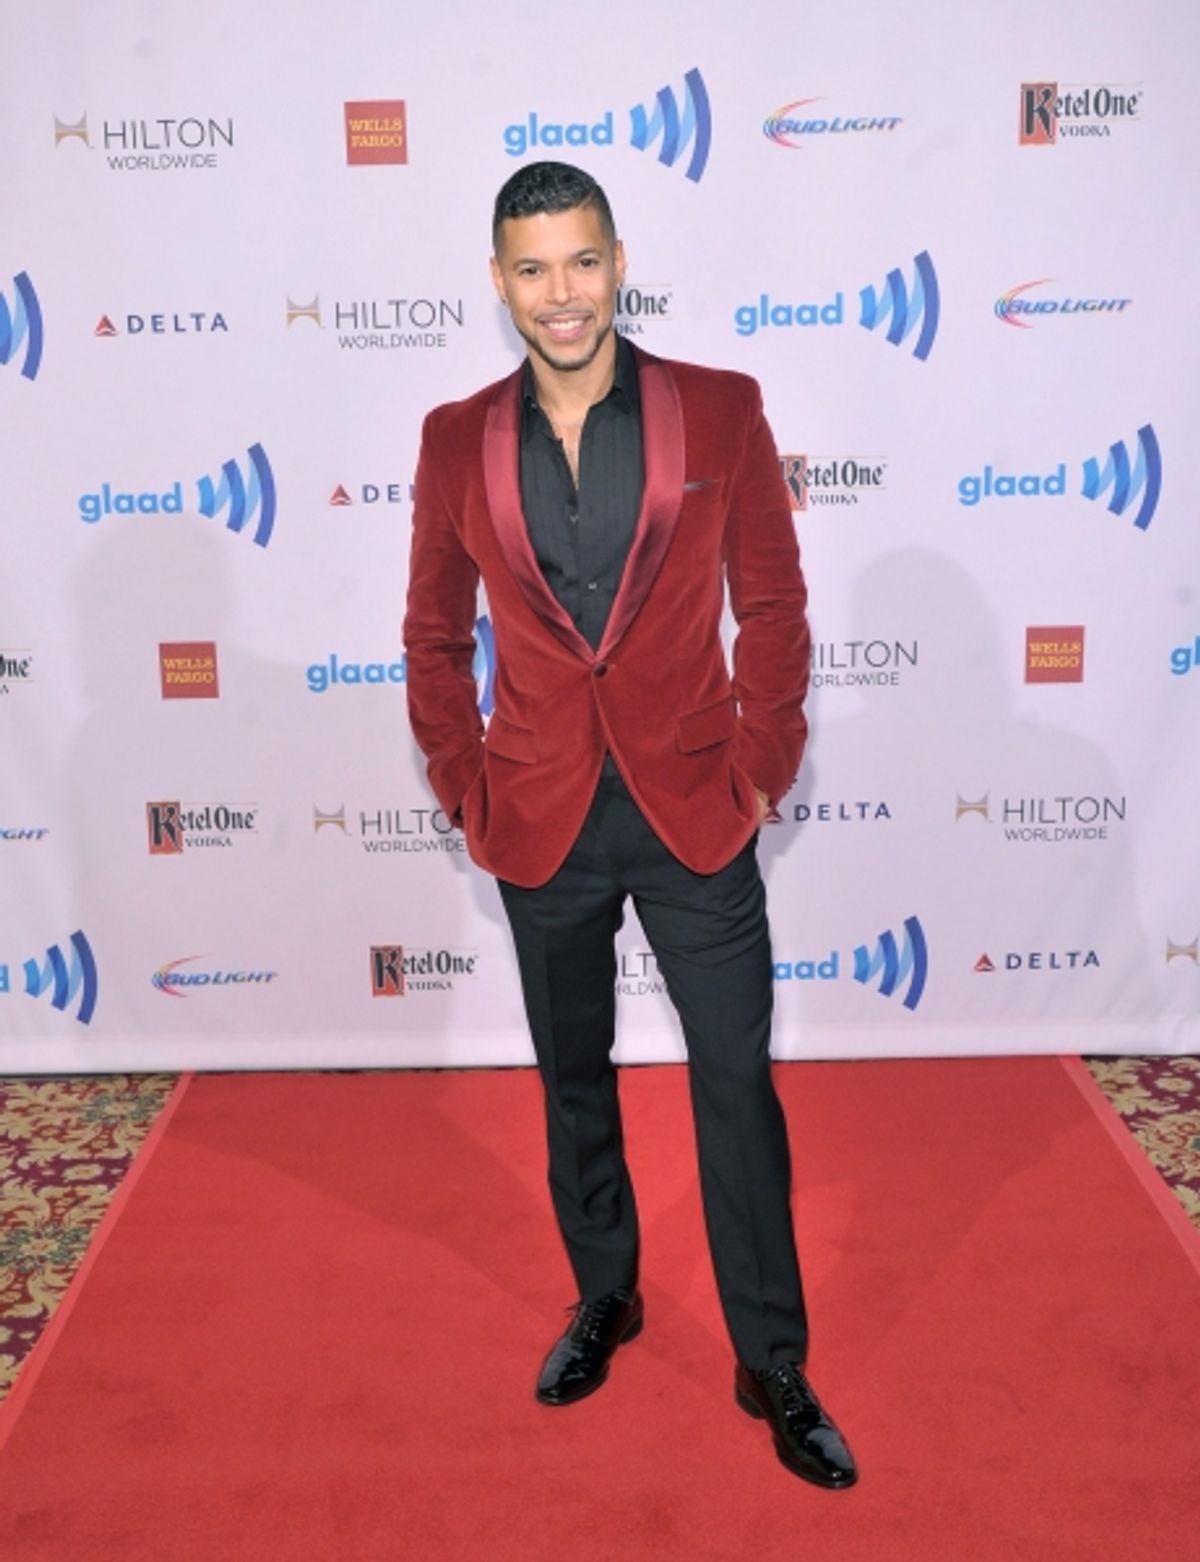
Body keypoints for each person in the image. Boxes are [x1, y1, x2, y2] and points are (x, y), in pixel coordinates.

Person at [403, 161, 857, 1489]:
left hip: (696, 808)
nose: (562, 295)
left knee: (734, 1082)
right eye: (533, 269)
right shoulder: (452, 439)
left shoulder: (718, 412)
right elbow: (432, 635)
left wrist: (762, 766)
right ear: (500, 282)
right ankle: (605, 1290)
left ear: (620, 262)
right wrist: (462, 783)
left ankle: (772, 1354)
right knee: (574, 1077)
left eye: (583, 262)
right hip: (538, 812)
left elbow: (772, 607)